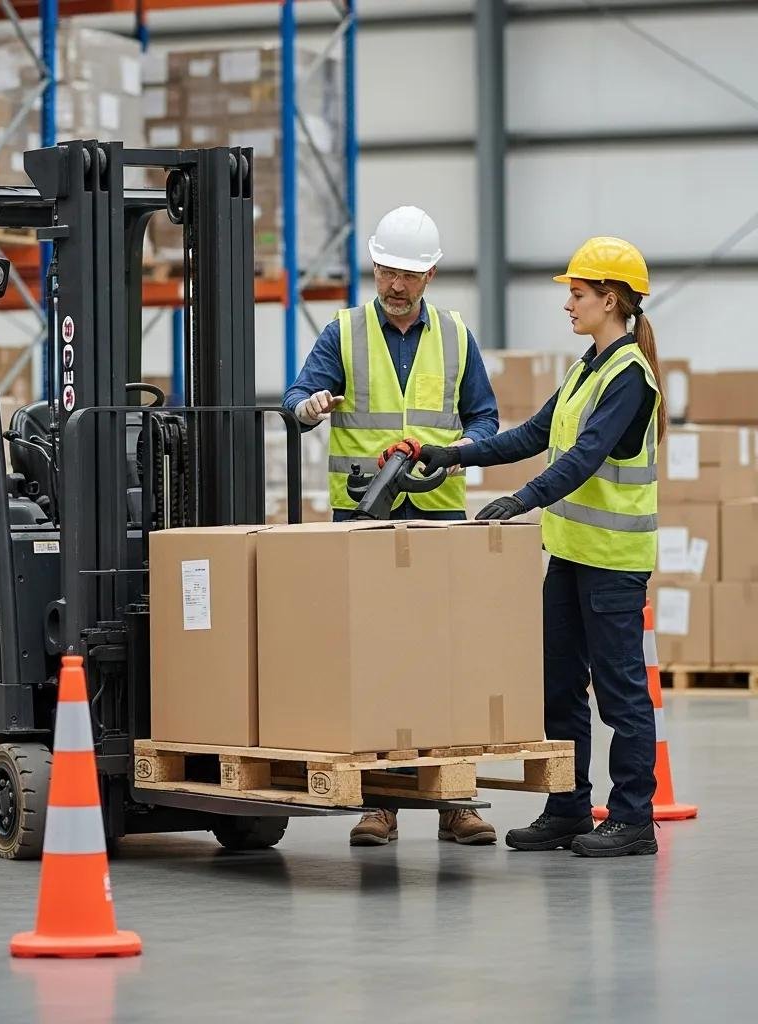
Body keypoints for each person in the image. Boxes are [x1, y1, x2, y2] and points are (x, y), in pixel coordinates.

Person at [419, 237, 664, 858]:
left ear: (610, 299)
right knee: (558, 686)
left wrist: (520, 501)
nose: (569, 304)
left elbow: (585, 457)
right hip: (571, 556)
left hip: (612, 566)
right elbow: (532, 434)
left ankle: (634, 817)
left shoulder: (629, 377)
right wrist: (453, 455)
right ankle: (570, 806)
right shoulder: (587, 367)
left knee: (619, 691)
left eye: (577, 294)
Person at [283, 205, 500, 849]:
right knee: (374, 661)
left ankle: (454, 801)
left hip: (438, 517)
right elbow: (297, 399)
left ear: (429, 275)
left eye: (409, 274)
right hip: (365, 519)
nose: (396, 284)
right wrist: (310, 407)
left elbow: (484, 420)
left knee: (442, 660)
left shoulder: (458, 337)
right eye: (387, 271)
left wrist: (456, 450)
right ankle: (381, 806)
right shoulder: (342, 335)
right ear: (374, 266)